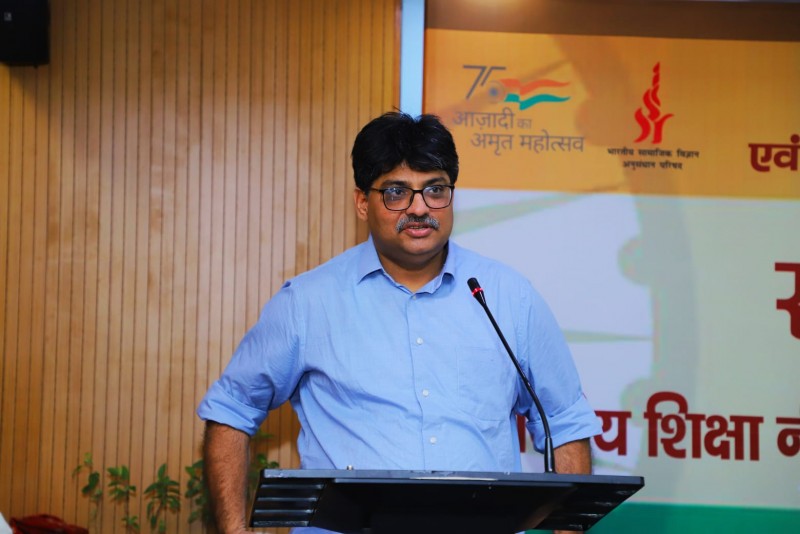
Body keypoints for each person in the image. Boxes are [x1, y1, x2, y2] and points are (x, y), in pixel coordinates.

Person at [197, 112, 602, 533]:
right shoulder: (307, 302)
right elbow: (231, 410)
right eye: (396, 192)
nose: (420, 208)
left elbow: (565, 421)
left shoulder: (508, 297)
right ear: (362, 202)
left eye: (435, 189)